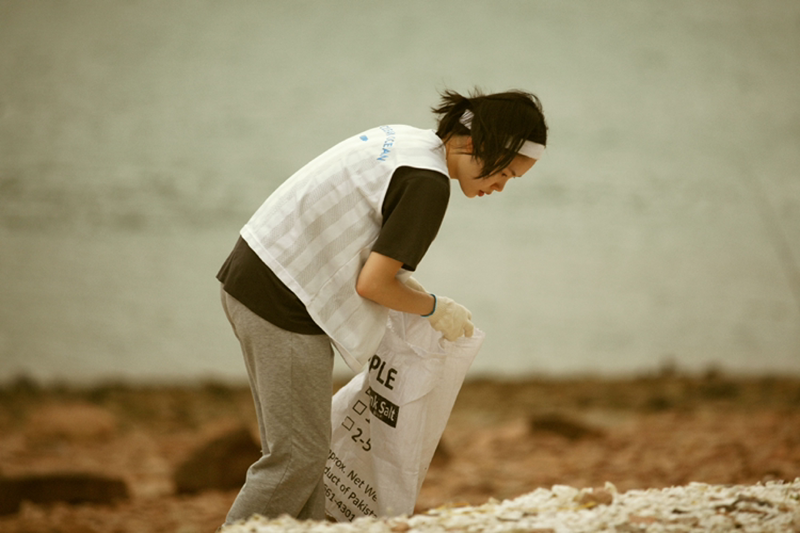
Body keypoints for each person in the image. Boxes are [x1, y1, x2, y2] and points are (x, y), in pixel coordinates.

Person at [216, 88, 548, 525]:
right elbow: (373, 284)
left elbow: (365, 247)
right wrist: (433, 308)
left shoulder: (405, 140)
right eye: (505, 172)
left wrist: (411, 291)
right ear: (474, 144)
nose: (501, 186)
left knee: (308, 457)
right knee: (295, 460)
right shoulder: (428, 185)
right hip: (280, 301)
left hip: (255, 269)